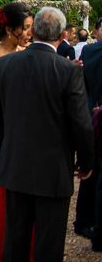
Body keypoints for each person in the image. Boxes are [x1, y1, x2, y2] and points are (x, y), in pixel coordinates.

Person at [0, 7, 94, 261]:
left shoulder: (5, 65)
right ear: (63, 34)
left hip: (16, 167)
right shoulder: (68, 71)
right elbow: (81, 123)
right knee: (49, 244)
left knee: (15, 241)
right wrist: (87, 162)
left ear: (33, 31)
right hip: (53, 171)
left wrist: (5, 152)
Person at [0, 2, 32, 262]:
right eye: (24, 28)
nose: (28, 33)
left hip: (20, 126)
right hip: (2, 128)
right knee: (1, 190)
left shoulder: (23, 53)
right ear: (10, 30)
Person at [76, 18, 102, 244]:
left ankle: (82, 220)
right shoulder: (91, 51)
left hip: (89, 113)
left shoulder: (88, 51)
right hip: (96, 112)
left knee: (90, 169)